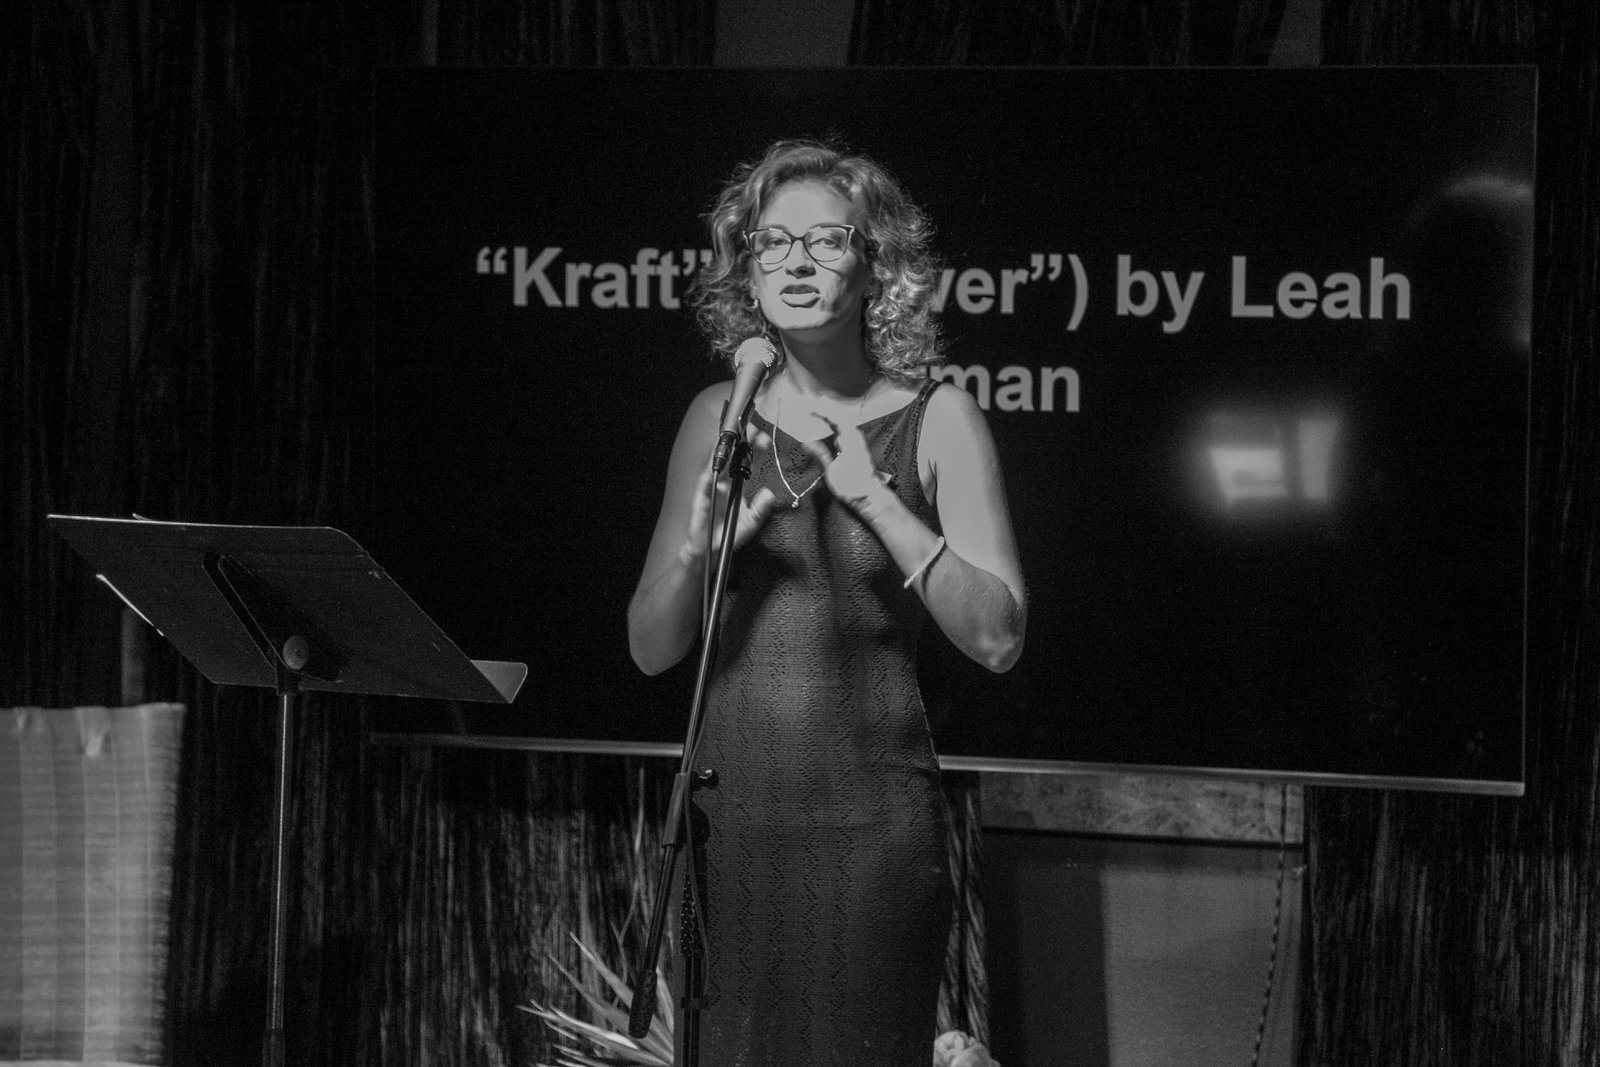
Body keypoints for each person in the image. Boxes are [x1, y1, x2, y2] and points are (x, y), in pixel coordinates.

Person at [628, 138, 1027, 1067]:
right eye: (771, 243)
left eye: (826, 240)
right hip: (728, 828)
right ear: (745, 269)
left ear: (874, 263)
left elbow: (1000, 636)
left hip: (870, 829)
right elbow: (651, 648)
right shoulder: (714, 419)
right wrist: (696, 547)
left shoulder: (939, 419)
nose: (796, 262)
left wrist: (877, 496)